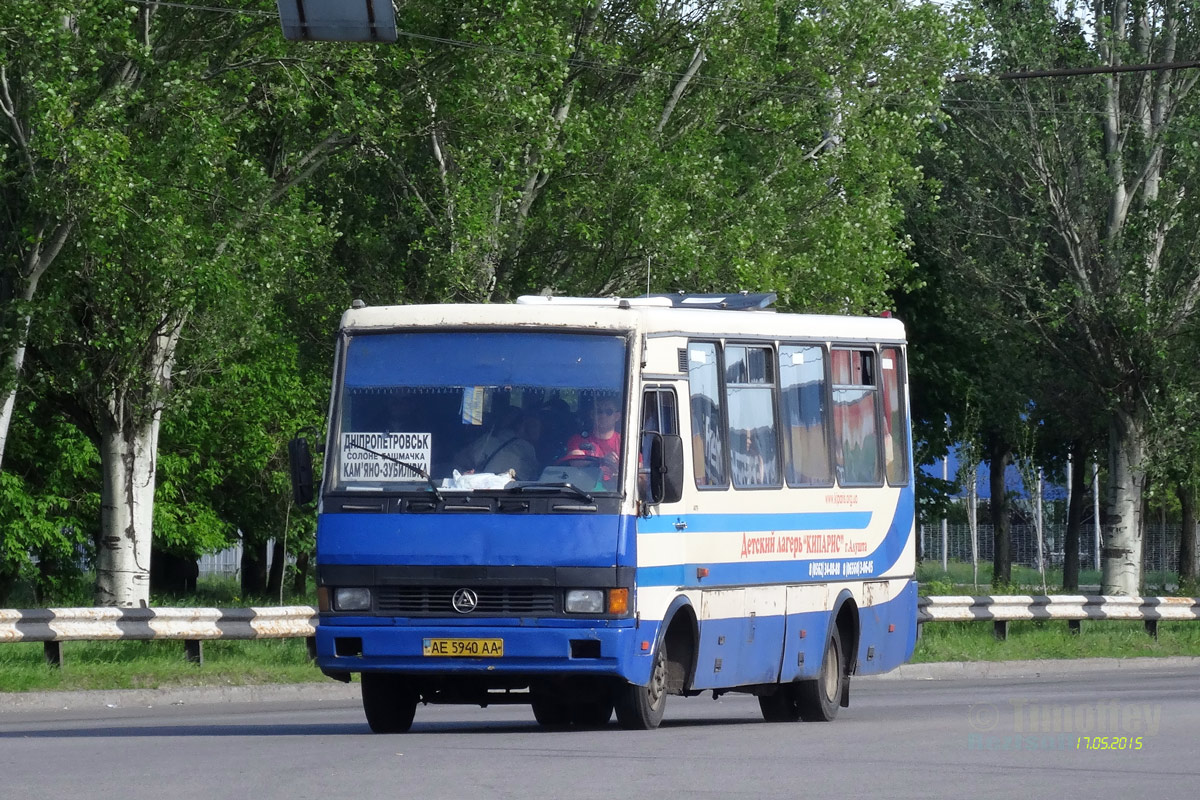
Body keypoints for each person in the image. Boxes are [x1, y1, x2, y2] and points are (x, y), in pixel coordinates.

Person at [454, 403, 538, 480]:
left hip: (479, 492)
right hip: (517, 494)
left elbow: (459, 460)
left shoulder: (485, 441)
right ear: (521, 425)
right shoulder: (527, 448)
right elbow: (535, 475)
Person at [561, 398, 622, 486]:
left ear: (617, 416)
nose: (603, 415)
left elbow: (640, 477)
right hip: (585, 491)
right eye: (599, 411)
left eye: (608, 412)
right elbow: (575, 461)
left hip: (615, 493)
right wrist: (602, 460)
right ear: (592, 415)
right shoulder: (579, 440)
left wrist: (618, 467)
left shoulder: (626, 443)